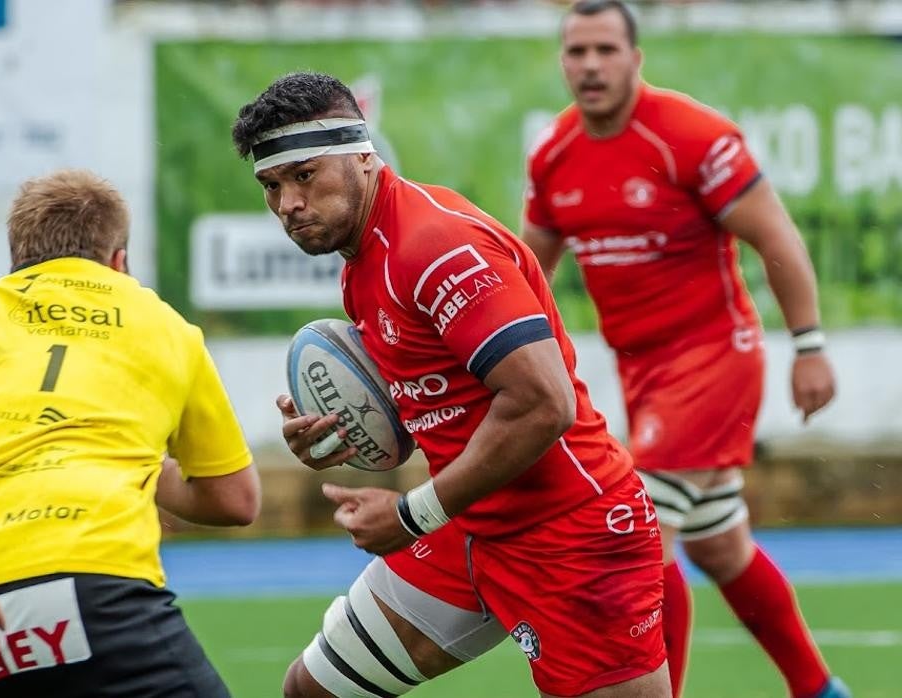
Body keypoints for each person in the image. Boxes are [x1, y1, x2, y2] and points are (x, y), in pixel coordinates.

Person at [233, 71, 671, 698]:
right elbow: (441, 406)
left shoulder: (435, 246)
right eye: (272, 186)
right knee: (313, 690)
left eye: (305, 175)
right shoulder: (364, 261)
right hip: (466, 525)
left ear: (363, 153)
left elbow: (545, 403)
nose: (288, 204)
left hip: (569, 534)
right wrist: (349, 430)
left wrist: (413, 514)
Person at [520, 3, 846, 697]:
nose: (591, 65)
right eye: (577, 51)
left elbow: (777, 237)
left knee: (639, 534)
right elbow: (528, 273)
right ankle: (820, 689)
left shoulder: (690, 136)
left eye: (606, 49)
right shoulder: (554, 155)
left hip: (713, 358)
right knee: (719, 545)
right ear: (562, 62)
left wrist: (810, 345)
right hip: (641, 374)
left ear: (636, 57)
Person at [0, 168, 260, 697]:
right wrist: (118, 462)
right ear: (119, 262)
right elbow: (233, 497)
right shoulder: (164, 325)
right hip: (90, 581)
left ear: (17, 259)